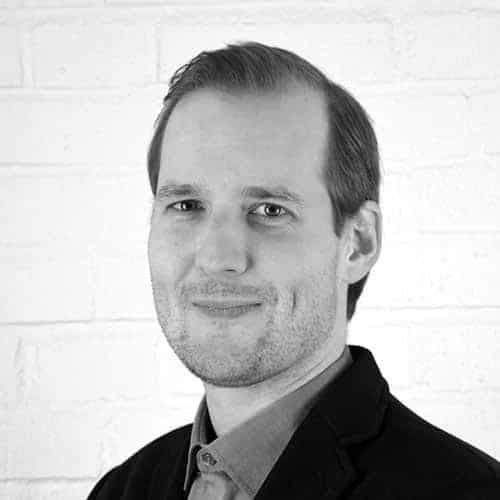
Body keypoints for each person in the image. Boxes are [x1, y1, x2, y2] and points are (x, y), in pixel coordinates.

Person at [87, 42, 500, 500]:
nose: (218, 257)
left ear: (358, 243)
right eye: (186, 205)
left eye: (269, 210)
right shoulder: (122, 489)